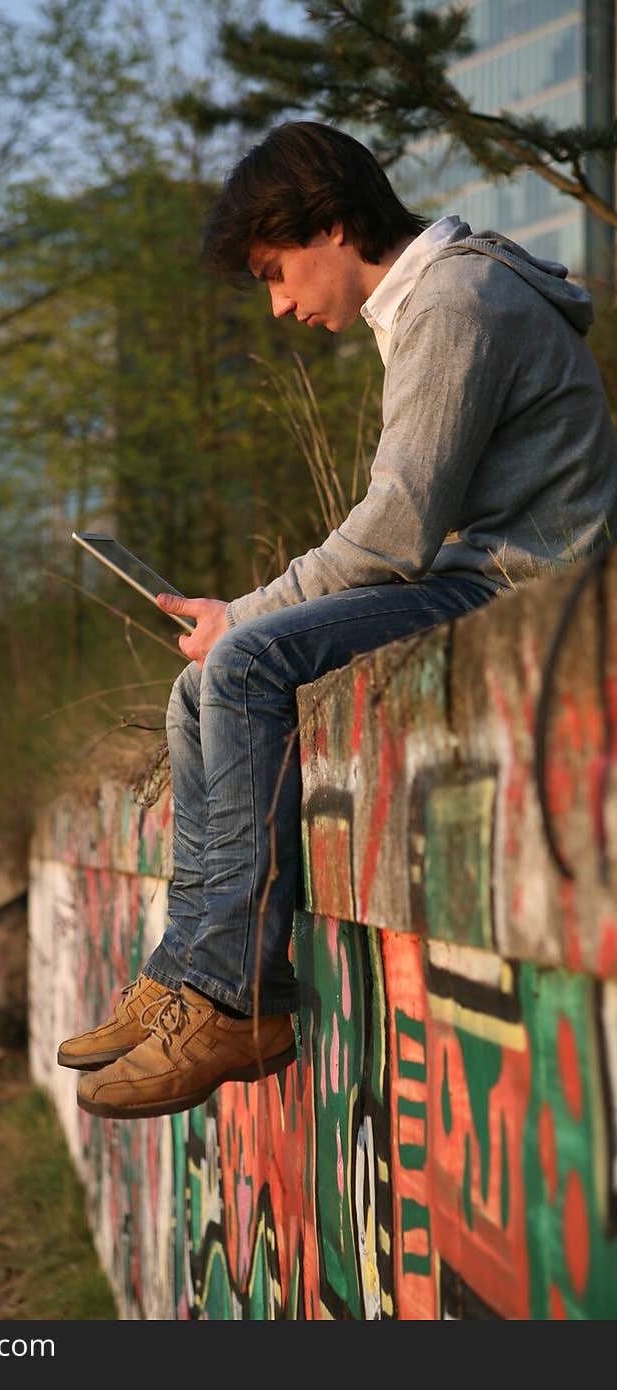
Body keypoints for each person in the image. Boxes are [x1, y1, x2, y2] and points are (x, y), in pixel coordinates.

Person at [58, 121, 617, 1120]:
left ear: (330, 226)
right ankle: (187, 967)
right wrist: (239, 623)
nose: (279, 306)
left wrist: (240, 613)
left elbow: (391, 536)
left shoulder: (454, 301)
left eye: (278, 273)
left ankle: (234, 997)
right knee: (199, 686)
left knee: (238, 665)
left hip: (517, 584)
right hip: (473, 568)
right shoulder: (436, 299)